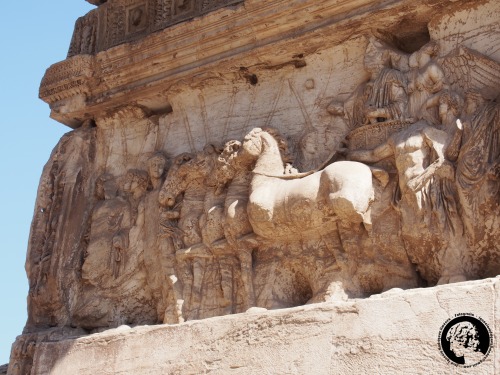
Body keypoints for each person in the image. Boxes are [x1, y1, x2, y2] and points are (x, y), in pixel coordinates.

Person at [347, 91, 467, 284]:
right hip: (405, 190)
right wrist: (351, 154)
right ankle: (426, 270)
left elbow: (447, 153)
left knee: (439, 223)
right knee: (414, 230)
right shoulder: (396, 138)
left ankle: (453, 269)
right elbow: (373, 154)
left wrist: (458, 135)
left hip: (425, 185)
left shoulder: (426, 130)